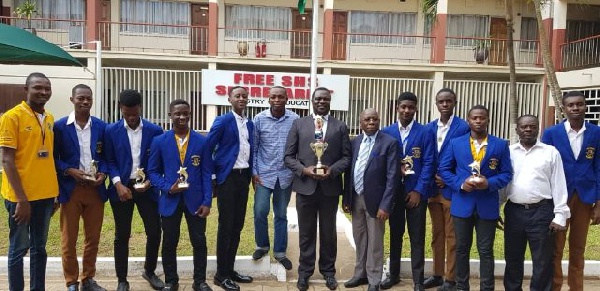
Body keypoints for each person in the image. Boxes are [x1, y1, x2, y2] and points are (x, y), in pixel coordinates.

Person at [438, 105, 512, 291]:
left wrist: (489, 183)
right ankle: (462, 286)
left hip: (487, 205)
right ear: (468, 120)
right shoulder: (456, 143)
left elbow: (506, 174)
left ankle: (487, 288)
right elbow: (444, 170)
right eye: (474, 118)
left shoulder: (501, 144)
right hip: (462, 204)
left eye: (482, 118)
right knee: (461, 249)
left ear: (488, 120)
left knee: (486, 251)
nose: (478, 121)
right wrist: (461, 184)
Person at [284, 87, 351, 291]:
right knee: (306, 233)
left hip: (329, 188)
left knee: (329, 233)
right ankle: (304, 272)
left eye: (325, 99)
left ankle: (328, 272)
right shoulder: (299, 124)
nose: (322, 102)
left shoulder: (340, 126)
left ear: (330, 101)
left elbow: (347, 157)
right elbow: (288, 157)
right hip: (306, 188)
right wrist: (304, 170)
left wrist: (332, 170)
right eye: (318, 99)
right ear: (312, 101)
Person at [0, 72, 59, 291]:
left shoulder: (50, 118)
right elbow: (6, 160)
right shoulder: (11, 117)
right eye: (38, 88)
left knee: (39, 248)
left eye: (47, 87)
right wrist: (21, 200)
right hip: (20, 198)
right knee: (18, 248)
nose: (43, 92)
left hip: (45, 196)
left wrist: (54, 193)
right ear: (26, 89)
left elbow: (48, 157)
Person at [147, 99, 213, 291]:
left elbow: (207, 173)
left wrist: (207, 201)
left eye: (186, 113)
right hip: (170, 200)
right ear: (170, 116)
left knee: (199, 241)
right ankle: (171, 281)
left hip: (196, 201)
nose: (182, 117)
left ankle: (199, 281)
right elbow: (152, 172)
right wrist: (169, 187)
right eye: (178, 113)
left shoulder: (202, 140)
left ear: (190, 114)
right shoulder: (159, 141)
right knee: (169, 242)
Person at [104, 89, 165, 291]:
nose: (131, 118)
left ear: (140, 108)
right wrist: (117, 184)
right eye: (126, 113)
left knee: (155, 231)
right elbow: (109, 160)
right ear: (120, 108)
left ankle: (149, 271)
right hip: (121, 188)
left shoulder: (155, 130)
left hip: (146, 188)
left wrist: (150, 182)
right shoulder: (110, 131)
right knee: (122, 234)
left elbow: (158, 161)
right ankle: (122, 279)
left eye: (134, 114)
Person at [504, 114, 570, 291]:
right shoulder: (508, 152)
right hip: (514, 211)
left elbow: (559, 184)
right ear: (517, 129)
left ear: (538, 128)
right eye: (524, 127)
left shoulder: (550, 152)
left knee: (542, 260)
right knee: (512, 258)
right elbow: (503, 184)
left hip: (541, 211)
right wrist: (495, 209)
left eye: (532, 126)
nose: (528, 130)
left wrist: (560, 215)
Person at [541, 91, 600, 291]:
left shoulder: (596, 133)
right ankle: (554, 287)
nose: (575, 108)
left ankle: (576, 287)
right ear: (564, 108)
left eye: (580, 104)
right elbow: (544, 167)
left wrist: (599, 202)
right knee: (555, 249)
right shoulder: (551, 133)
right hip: (558, 198)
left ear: (585, 106)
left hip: (584, 198)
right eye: (571, 105)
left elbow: (599, 167)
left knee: (578, 249)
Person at [54, 84, 108, 291]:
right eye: (81, 98)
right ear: (72, 100)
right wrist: (69, 170)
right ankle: (71, 282)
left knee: (92, 238)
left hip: (95, 190)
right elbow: (53, 158)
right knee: (69, 239)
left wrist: (102, 173)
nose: (85, 102)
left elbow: (106, 157)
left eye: (88, 99)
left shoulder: (101, 127)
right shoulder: (60, 127)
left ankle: (88, 279)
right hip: (71, 189)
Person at [382, 92, 435, 291]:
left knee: (417, 236)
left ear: (416, 109)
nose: (406, 110)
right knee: (395, 234)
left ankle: (418, 280)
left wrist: (418, 191)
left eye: (410, 107)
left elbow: (430, 163)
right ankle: (393, 275)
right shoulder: (387, 132)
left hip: (416, 194)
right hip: (394, 192)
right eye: (403, 107)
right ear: (397, 107)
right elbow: (384, 161)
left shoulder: (425, 132)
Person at [343, 108, 398, 291]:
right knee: (359, 238)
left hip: (377, 201)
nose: (371, 122)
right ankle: (360, 274)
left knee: (375, 241)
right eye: (367, 119)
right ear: (361, 122)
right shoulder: (355, 142)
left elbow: (392, 177)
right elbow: (350, 172)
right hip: (356, 197)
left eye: (375, 119)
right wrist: (347, 198)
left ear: (379, 121)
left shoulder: (389, 143)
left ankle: (374, 279)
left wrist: (386, 204)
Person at [207, 86, 254, 291]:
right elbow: (207, 148)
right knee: (226, 227)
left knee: (237, 226)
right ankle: (220, 275)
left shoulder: (249, 124)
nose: (241, 99)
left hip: (243, 178)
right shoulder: (222, 121)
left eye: (244, 96)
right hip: (227, 178)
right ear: (229, 99)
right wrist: (214, 178)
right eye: (237, 96)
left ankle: (230, 269)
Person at [424, 88, 470, 291]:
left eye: (448, 101)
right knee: (437, 235)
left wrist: (449, 179)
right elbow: (427, 156)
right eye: (441, 102)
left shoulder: (464, 127)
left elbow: (467, 158)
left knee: (452, 236)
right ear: (436, 104)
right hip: (432, 190)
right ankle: (437, 274)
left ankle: (451, 278)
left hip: (451, 190)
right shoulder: (429, 128)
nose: (445, 105)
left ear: (454, 103)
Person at [251, 86, 299, 270]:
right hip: (264, 175)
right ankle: (262, 246)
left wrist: (295, 171)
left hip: (285, 176)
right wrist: (254, 172)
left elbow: (297, 148)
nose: (277, 100)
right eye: (273, 97)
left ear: (287, 98)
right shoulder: (259, 119)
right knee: (260, 211)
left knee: (281, 214)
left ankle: (280, 252)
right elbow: (255, 148)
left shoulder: (294, 119)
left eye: (281, 97)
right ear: (268, 99)